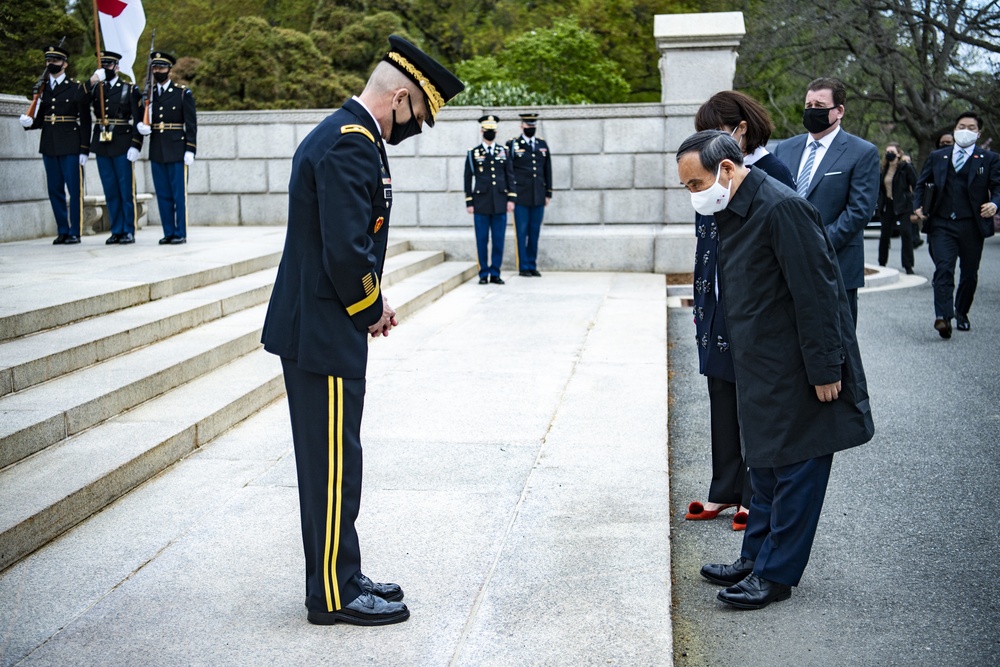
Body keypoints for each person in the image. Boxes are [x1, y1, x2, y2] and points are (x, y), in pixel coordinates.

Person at [261, 35, 463, 626]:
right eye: (418, 116)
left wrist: (368, 303)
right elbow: (346, 253)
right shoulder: (350, 145)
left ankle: (342, 571)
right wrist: (371, 308)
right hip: (322, 330)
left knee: (339, 460)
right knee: (330, 466)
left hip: (324, 324)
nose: (416, 128)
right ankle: (331, 593)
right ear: (399, 96)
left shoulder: (349, 136)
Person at [677, 130, 874, 610]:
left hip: (799, 363)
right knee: (763, 464)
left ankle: (776, 575)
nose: (694, 194)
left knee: (798, 467)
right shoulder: (733, 207)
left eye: (696, 183)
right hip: (758, 360)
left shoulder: (781, 207)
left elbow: (819, 293)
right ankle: (754, 557)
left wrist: (828, 367)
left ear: (727, 169)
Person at [686, 90, 795, 531]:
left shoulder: (771, 172)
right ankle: (725, 489)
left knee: (753, 400)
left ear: (741, 129)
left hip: (753, 302)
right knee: (721, 394)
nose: (707, 141)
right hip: (715, 296)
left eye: (714, 132)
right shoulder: (710, 174)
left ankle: (755, 493)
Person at [773, 77, 879, 325]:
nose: (811, 111)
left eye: (819, 106)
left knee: (837, 341)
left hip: (835, 262)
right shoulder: (785, 149)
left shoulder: (862, 152)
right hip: (786, 263)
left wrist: (816, 243)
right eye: (808, 105)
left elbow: (859, 211)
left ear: (839, 111)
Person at [913, 111, 1000, 338]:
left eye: (971, 128)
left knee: (969, 273)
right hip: (942, 224)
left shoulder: (989, 159)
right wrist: (918, 206)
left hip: (972, 225)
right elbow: (922, 184)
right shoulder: (938, 156)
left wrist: (994, 204)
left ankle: (961, 312)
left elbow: (998, 187)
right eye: (962, 126)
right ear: (954, 129)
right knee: (943, 269)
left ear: (979, 133)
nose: (966, 130)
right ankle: (943, 317)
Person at [19, 44, 91, 245]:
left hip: (70, 144)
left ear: (65, 64)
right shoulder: (43, 89)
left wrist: (85, 148)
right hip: (49, 144)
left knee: (74, 190)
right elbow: (41, 118)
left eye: (55, 61)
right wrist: (29, 123)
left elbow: (86, 121)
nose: (51, 64)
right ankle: (62, 230)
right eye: (48, 60)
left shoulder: (76, 88)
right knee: (54, 189)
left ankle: (75, 231)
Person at [136, 51, 196, 245]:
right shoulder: (149, 95)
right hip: (157, 149)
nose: (157, 71)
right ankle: (168, 231)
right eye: (155, 68)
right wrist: (143, 126)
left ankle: (180, 232)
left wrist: (190, 149)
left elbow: (191, 123)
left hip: (177, 149)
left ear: (169, 71)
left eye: (161, 68)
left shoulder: (181, 93)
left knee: (179, 195)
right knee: (163, 195)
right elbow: (144, 117)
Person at [86, 51, 143, 245]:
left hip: (122, 142)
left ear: (117, 67)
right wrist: (93, 80)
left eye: (109, 65)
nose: (106, 69)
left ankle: (128, 229)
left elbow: (138, 118)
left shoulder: (129, 89)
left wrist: (136, 144)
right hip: (103, 144)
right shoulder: (96, 89)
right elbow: (78, 99)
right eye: (102, 66)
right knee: (110, 189)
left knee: (125, 190)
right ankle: (116, 229)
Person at [465, 114, 515, 284]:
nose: (490, 133)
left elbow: (510, 176)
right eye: (488, 130)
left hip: (500, 202)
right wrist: (469, 202)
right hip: (481, 203)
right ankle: (483, 273)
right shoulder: (474, 153)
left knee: (499, 240)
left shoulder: (504, 151)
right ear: (482, 131)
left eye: (493, 131)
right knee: (482, 240)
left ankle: (495, 273)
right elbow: (467, 178)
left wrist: (511, 199)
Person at [507, 112, 552, 277]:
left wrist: (548, 193)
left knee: (534, 232)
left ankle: (532, 264)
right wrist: (511, 195)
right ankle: (523, 266)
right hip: (520, 196)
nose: (530, 128)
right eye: (528, 126)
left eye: (533, 126)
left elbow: (547, 169)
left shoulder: (542, 145)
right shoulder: (512, 145)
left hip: (538, 195)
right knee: (521, 232)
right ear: (522, 126)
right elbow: (509, 171)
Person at [876, 142, 917, 273]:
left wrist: (915, 207)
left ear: (899, 153)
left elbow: (916, 185)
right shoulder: (883, 169)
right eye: (887, 151)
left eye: (892, 151)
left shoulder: (906, 168)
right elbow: (880, 189)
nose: (889, 154)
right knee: (884, 235)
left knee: (906, 233)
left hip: (904, 205)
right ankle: (881, 263)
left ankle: (908, 265)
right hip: (888, 205)